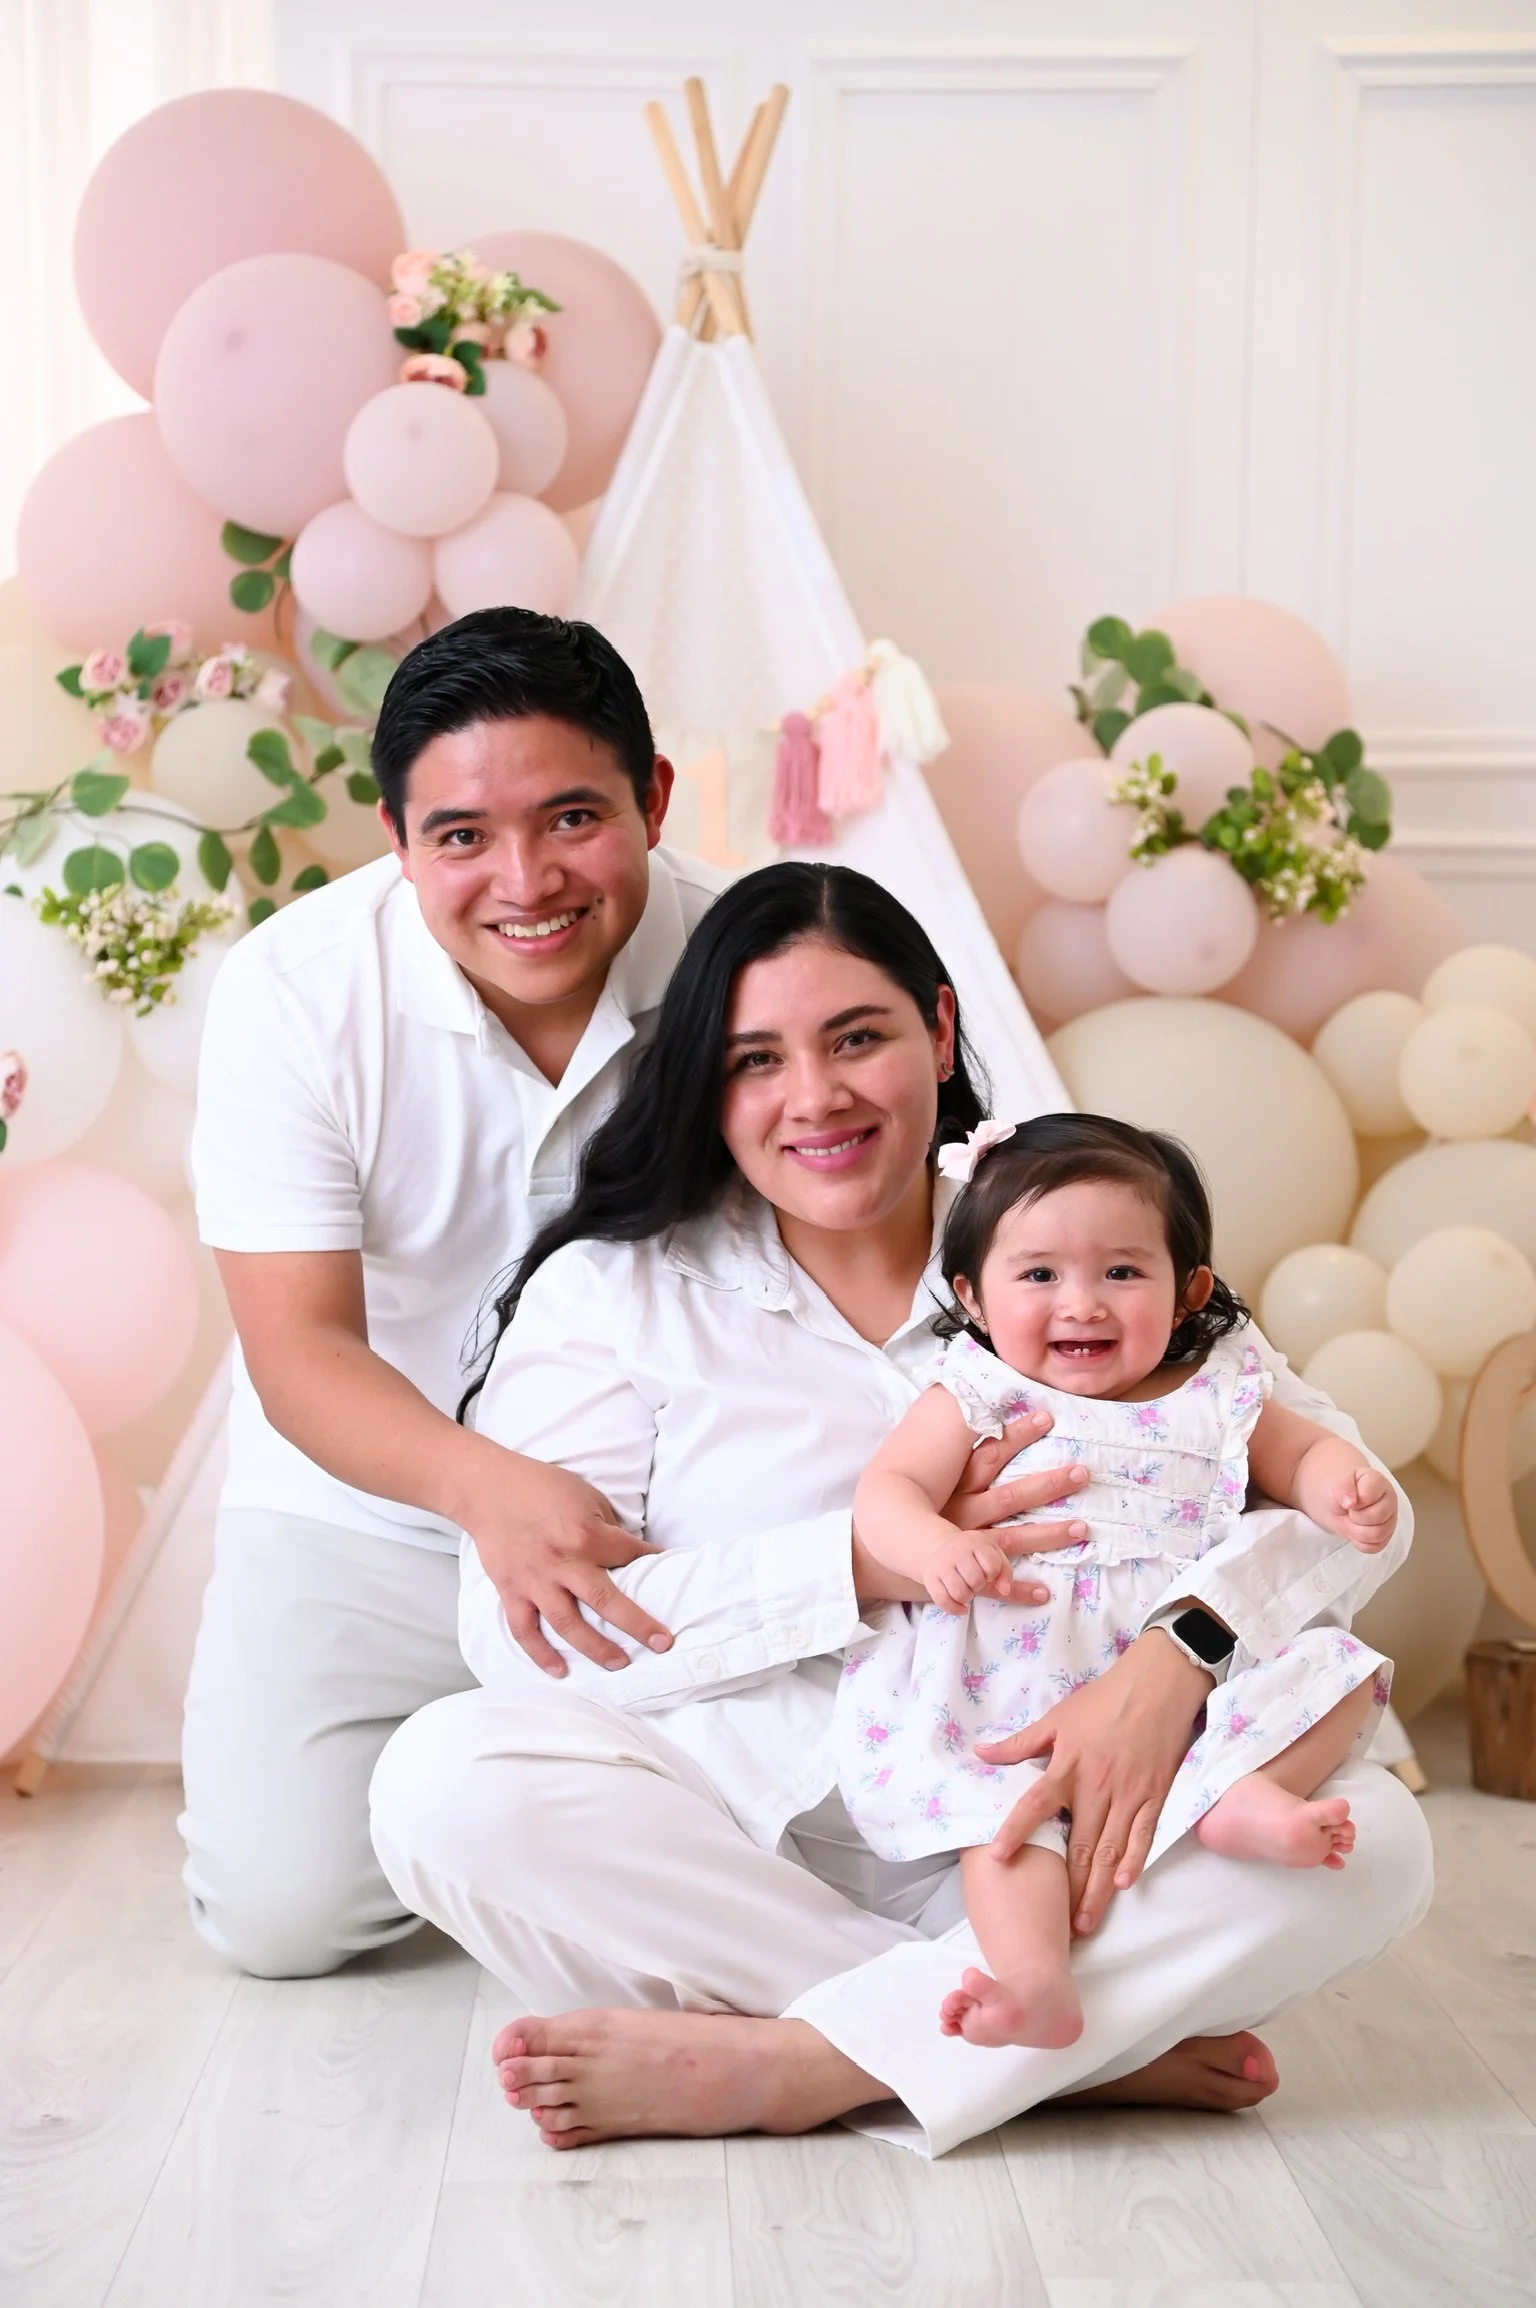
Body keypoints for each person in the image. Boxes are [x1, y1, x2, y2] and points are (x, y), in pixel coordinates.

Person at [369, 861, 1432, 2158]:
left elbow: (1357, 1504)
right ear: (707, 1083)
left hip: (1063, 1820)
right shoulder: (617, 1293)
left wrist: (1179, 1655)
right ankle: (1053, 2052)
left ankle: (808, 2064)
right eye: (756, 1059)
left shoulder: (1079, 1233)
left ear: (937, 1029)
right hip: (744, 1842)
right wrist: (861, 1561)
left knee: (1380, 1846)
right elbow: (526, 1636)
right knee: (443, 1782)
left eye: (856, 1037)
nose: (814, 1096)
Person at [182, 607, 731, 1978]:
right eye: (463, 836)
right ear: (395, 836)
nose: (525, 880)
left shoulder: (754, 964)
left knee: (839, 1830)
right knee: (283, 1918)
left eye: (573, 818)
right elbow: (299, 1352)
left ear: (655, 799)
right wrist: (490, 1491)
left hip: (669, 1521)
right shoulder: (294, 991)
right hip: (366, 1518)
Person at [840, 1110, 1395, 2055]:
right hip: (1016, 1670)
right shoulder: (978, 1391)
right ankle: (1035, 1981)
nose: (1083, 1304)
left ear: (1189, 1292)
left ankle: (1242, 1789)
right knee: (1005, 1822)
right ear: (974, 1297)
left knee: (1342, 1671)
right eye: (1040, 1275)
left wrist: (1340, 1484)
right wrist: (931, 1546)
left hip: (1188, 1677)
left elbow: (1297, 1453)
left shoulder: (1219, 1387)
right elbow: (886, 1491)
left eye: (1122, 1273)